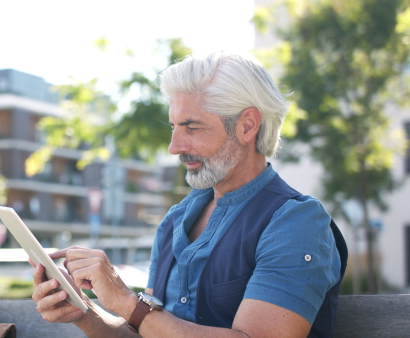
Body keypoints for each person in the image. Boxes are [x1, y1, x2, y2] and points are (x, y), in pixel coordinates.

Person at [31, 50, 347, 337]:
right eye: (174, 127)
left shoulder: (295, 222)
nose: (174, 146)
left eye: (192, 127)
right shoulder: (174, 221)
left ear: (248, 126)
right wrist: (85, 313)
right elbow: (147, 331)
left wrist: (128, 302)